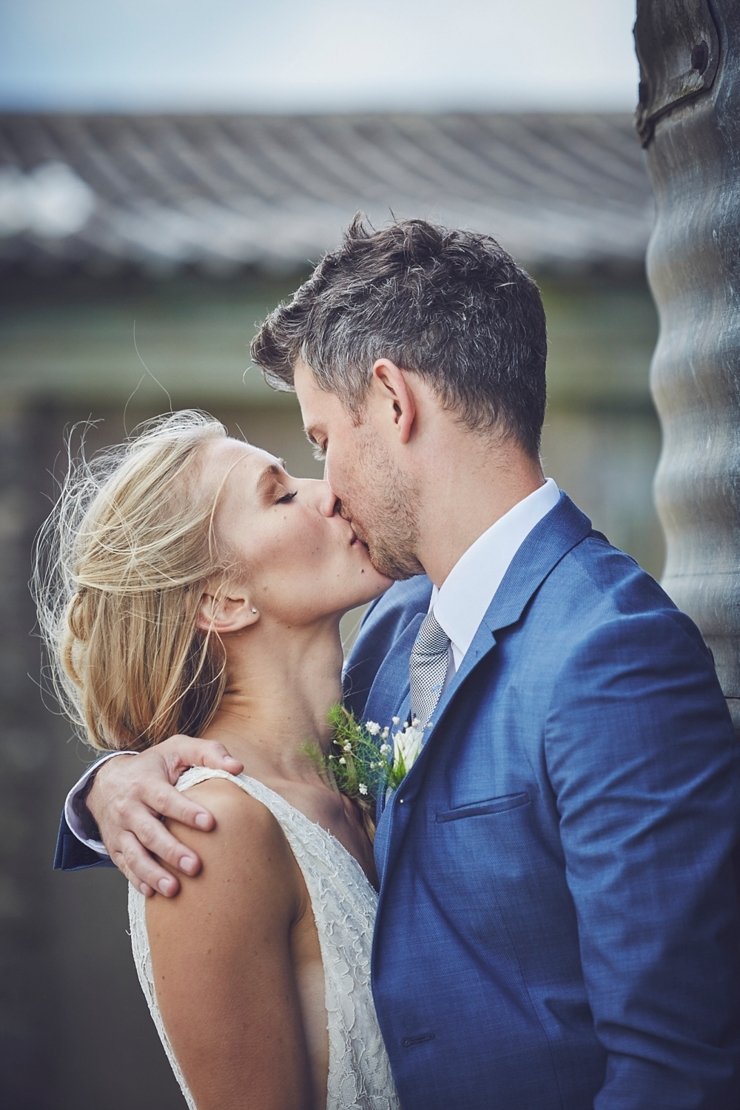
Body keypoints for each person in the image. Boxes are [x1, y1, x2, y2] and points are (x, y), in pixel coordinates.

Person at [57, 219, 740, 1108]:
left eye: (319, 440)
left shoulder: (611, 653)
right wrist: (111, 781)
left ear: (391, 401)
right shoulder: (395, 633)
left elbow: (673, 1065)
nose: (327, 486)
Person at [37, 410, 399, 1109]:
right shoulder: (213, 831)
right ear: (223, 600)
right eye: (281, 495)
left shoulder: (361, 770)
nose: (326, 491)